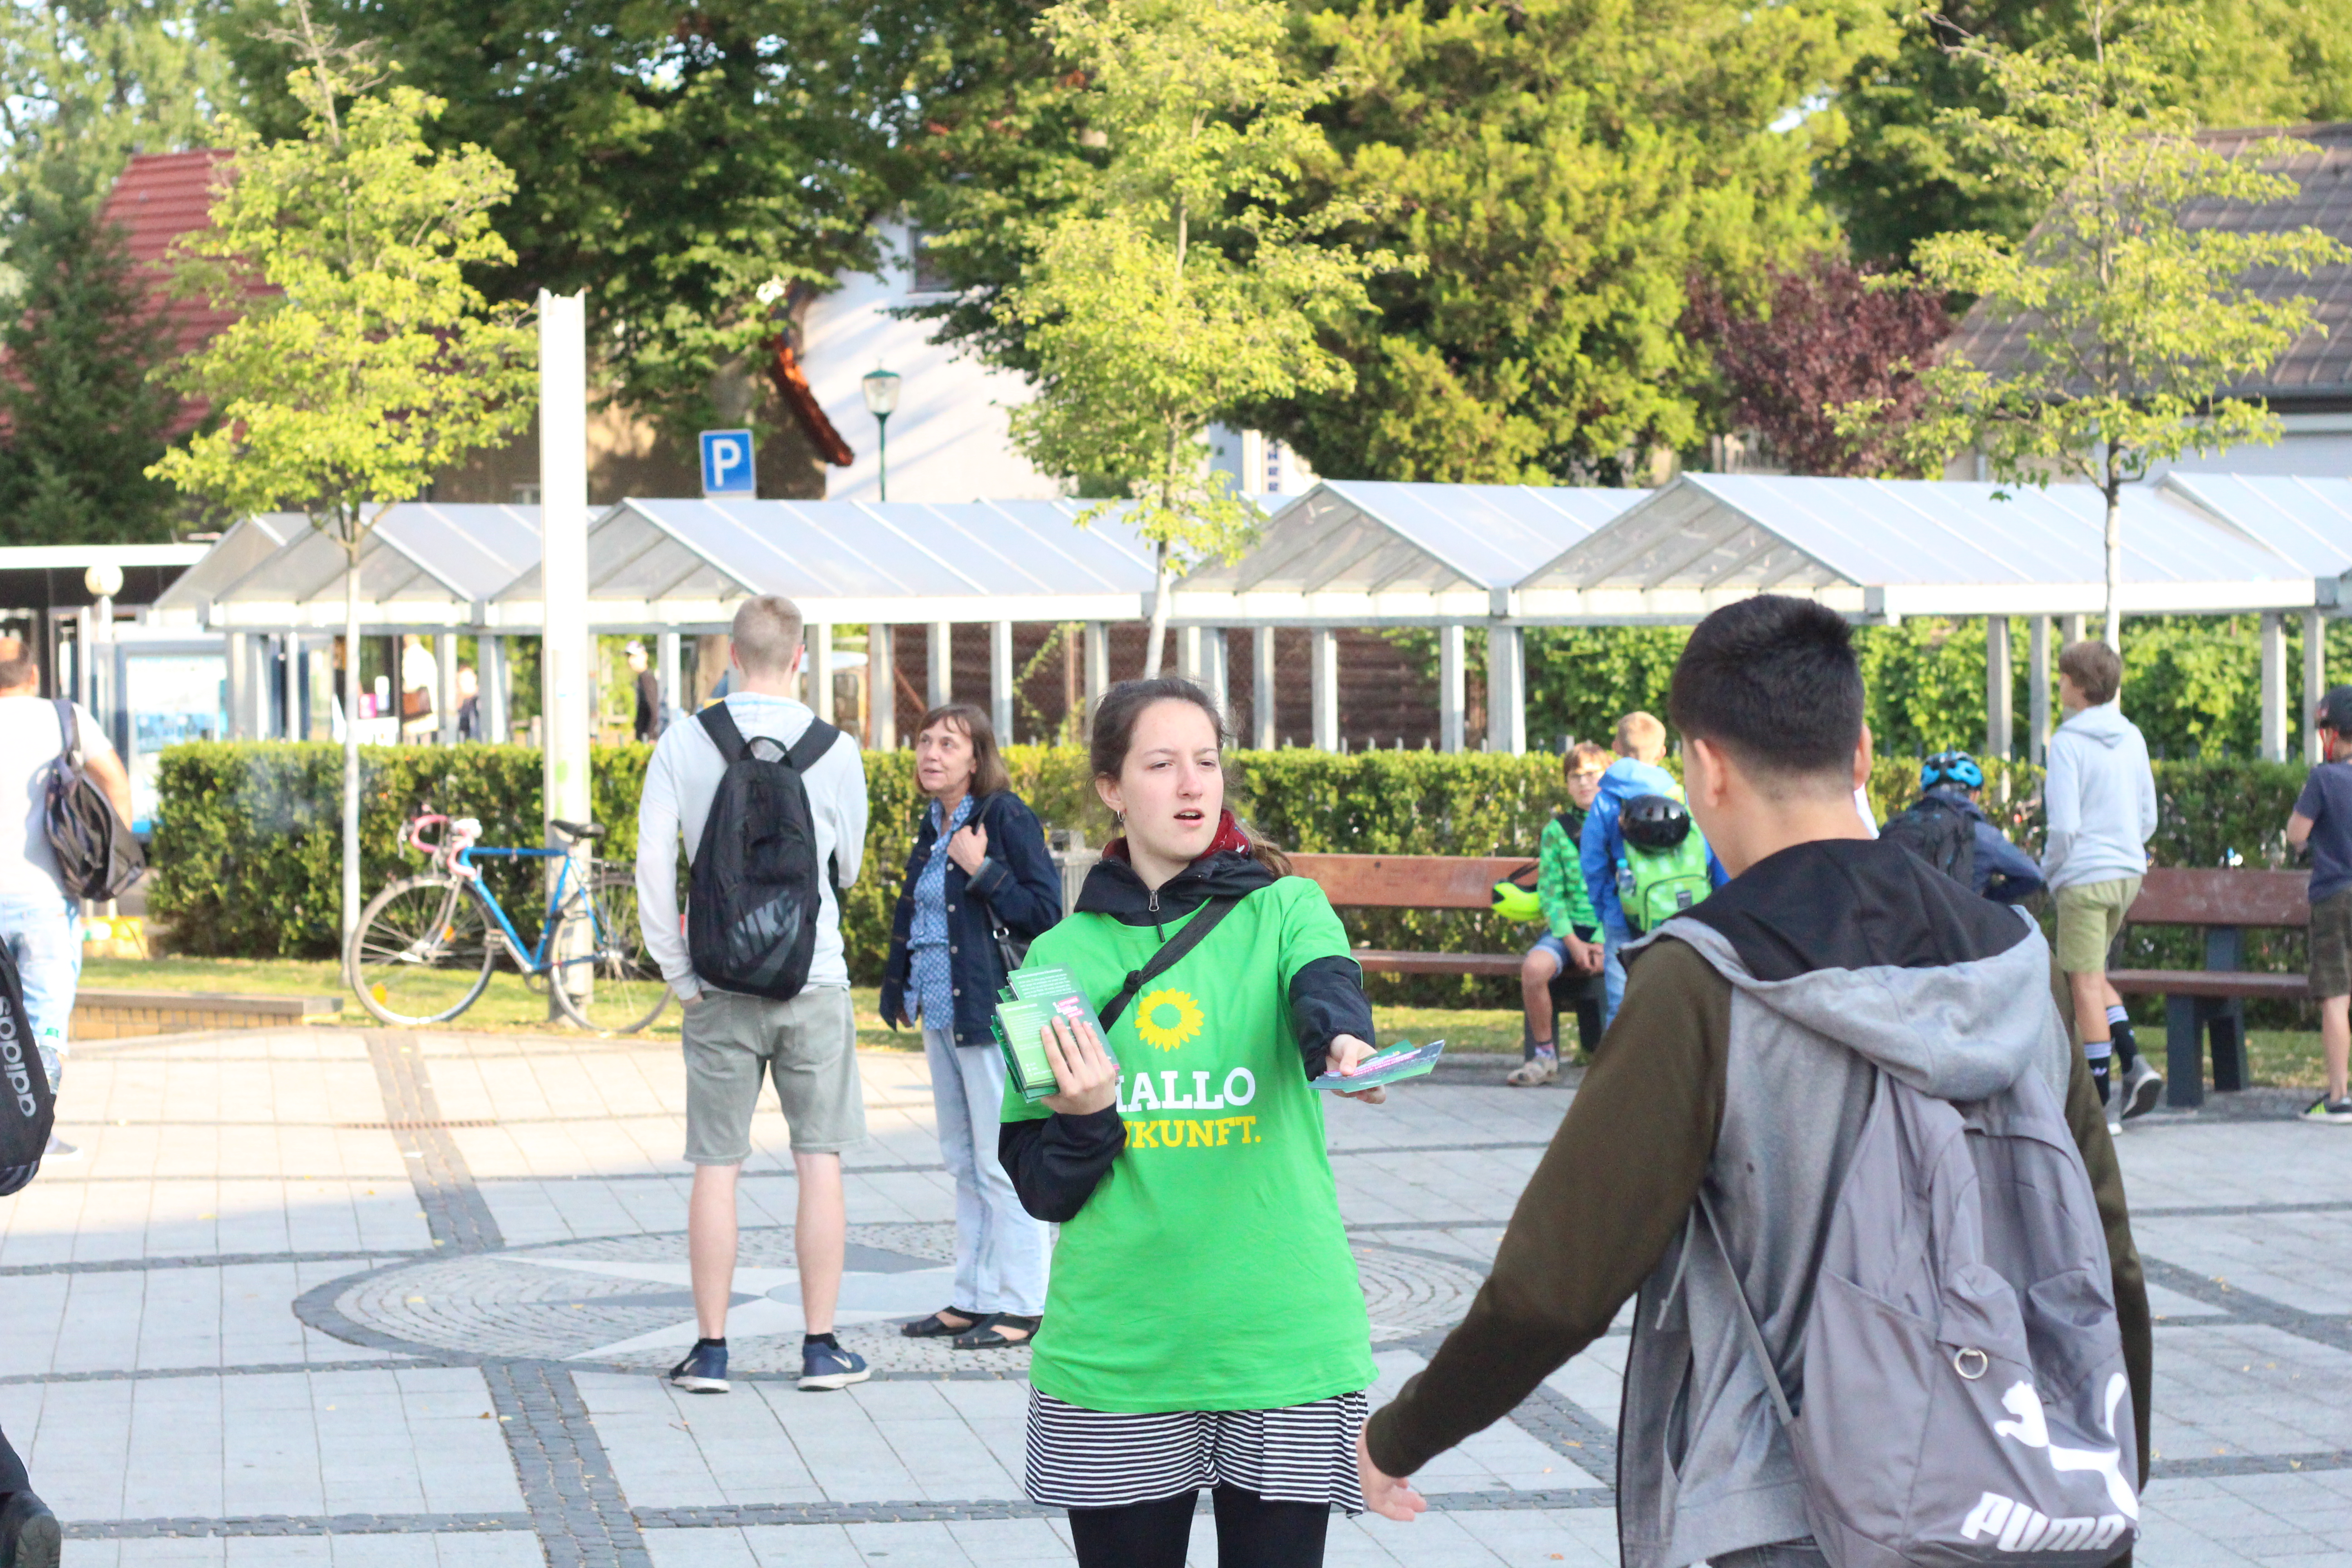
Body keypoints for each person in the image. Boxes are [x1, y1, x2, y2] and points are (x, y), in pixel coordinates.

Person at [1353, 595, 2152, 1568]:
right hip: (2028, 1497)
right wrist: (2110, 1459)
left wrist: (1394, 1440)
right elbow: (2103, 1249)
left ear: (1706, 766)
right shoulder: (2016, 957)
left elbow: (1554, 1289)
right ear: (1861, 754)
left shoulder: (1702, 979)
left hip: (1795, 1512)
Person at [999, 677, 1391, 1568]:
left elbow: (1323, 983)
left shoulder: (1285, 906)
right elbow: (1041, 1185)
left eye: (1206, 762)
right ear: (1110, 785)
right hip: (1120, 1353)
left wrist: (1341, 1042)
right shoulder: (1053, 963)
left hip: (1282, 1342)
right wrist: (1091, 1118)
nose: (1191, 786)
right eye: (1162, 763)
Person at [635, 595, 872, 1394]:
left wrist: (679, 976)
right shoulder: (834, 749)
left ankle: (709, 1351)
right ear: (800, 658)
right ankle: (819, 1347)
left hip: (719, 982)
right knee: (819, 1161)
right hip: (814, 978)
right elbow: (845, 870)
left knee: (716, 1166)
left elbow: (649, 867)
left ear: (729, 655)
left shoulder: (683, 740)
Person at [879, 703, 1063, 1348]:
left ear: (977, 757)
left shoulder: (1002, 817)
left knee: (998, 1161)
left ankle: (1024, 1302)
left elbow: (1047, 910)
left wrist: (982, 870)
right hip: (942, 1015)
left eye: (949, 744)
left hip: (992, 1015)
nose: (932, 753)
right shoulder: (933, 825)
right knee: (962, 1160)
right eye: (925, 741)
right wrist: (896, 984)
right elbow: (920, 918)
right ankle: (973, 1295)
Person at [0, 638, 127, 1122]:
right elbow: (114, 780)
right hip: (46, 900)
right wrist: (113, 861)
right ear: (33, 676)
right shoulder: (63, 718)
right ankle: (35, 1135)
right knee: (43, 1030)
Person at [2043, 639, 2162, 1125]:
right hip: (2127, 874)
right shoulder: (2131, 736)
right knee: (2090, 975)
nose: (2059, 683)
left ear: (2077, 686)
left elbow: (2065, 826)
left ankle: (2098, 1106)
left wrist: (2053, 870)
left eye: (2062, 676)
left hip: (2085, 876)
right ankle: (2133, 1063)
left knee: (2084, 984)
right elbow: (2148, 814)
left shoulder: (2067, 743)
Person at [1580, 712, 1726, 1029]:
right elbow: (1708, 851)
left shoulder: (1606, 800)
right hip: (1682, 911)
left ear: (1616, 747)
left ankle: (1621, 1076)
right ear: (1662, 752)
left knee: (1622, 1004)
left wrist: (1604, 907)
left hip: (1625, 913)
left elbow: (1592, 860)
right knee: (1678, 997)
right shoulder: (1680, 795)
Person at [1508, 741, 1611, 1087]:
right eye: (1575, 776)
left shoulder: (1618, 823)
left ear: (1606, 777)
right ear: (1567, 784)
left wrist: (1598, 941)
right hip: (1568, 929)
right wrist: (1574, 942)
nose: (1584, 783)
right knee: (1534, 969)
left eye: (1592, 774)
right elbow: (1551, 894)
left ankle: (1614, 1061)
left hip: (1610, 928)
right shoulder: (1556, 831)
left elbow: (1620, 889)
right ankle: (1545, 1056)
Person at [2290, 686, 2352, 1122]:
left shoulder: (2324, 779)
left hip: (2334, 897)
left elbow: (2296, 834)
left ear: (2335, 732)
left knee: (2336, 996)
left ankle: (2338, 1095)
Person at [1891, 750, 2047, 903]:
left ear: (1926, 794)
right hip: (1963, 924)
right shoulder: (1981, 834)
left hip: (1902, 925)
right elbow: (2033, 876)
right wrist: (1988, 900)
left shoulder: (1897, 827)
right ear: (1974, 794)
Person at [628, 640, 662, 742]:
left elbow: (654, 710)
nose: (630, 661)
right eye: (629, 657)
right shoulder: (643, 678)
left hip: (648, 739)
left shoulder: (647, 679)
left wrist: (650, 736)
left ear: (644, 656)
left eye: (634, 656)